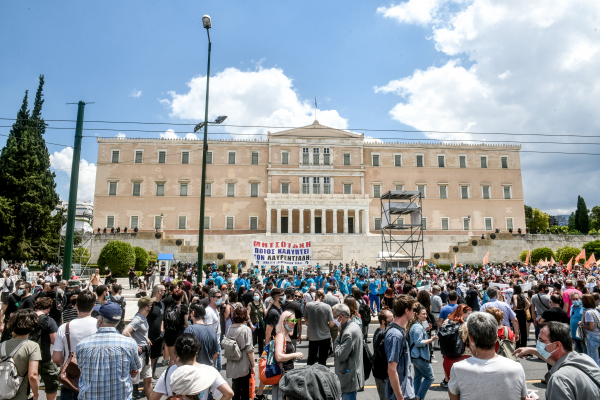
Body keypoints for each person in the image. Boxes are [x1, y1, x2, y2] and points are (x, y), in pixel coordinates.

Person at [448, 312, 528, 400]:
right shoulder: (516, 367)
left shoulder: (458, 368)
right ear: (496, 337)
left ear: (470, 338)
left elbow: (453, 397)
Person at [514, 321, 600, 399]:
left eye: (541, 340)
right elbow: (558, 362)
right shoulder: (585, 359)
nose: (538, 343)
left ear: (557, 345)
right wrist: (531, 350)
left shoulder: (559, 379)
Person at [76, 302, 141, 400]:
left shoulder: (83, 345)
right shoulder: (129, 343)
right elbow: (135, 369)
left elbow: (81, 368)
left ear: (100, 320)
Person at [150, 334, 233, 400]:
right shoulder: (209, 371)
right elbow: (229, 393)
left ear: (177, 352)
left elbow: (153, 398)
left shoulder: (168, 372)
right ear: (197, 351)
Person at [123, 296, 156, 399]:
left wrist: (146, 338)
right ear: (147, 307)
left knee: (148, 379)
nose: (152, 307)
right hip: (139, 355)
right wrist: (135, 345)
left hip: (146, 353)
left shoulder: (143, 318)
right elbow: (125, 332)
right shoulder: (137, 319)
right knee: (134, 384)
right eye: (151, 305)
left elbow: (139, 333)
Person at [385, 295, 417, 400]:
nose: (415, 312)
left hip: (405, 390)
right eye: (413, 309)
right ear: (407, 311)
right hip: (401, 394)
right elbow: (392, 369)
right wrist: (400, 397)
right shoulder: (395, 335)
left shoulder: (398, 330)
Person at [332, 303, 364, 400]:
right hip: (352, 374)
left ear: (341, 316)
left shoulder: (347, 332)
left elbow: (340, 355)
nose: (334, 319)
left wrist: (337, 339)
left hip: (348, 378)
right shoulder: (354, 324)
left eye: (334, 317)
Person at [271, 310, 304, 400]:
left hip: (288, 374)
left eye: (295, 321)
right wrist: (295, 355)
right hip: (283, 375)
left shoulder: (287, 336)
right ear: (284, 321)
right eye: (292, 321)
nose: (294, 323)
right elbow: (278, 357)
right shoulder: (280, 336)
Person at [224, 306, 255, 400]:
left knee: (235, 387)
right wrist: (253, 365)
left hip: (233, 361)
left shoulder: (230, 328)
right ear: (245, 316)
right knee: (245, 389)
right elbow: (250, 350)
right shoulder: (246, 329)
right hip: (244, 362)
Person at [407, 305, 437, 400]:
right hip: (420, 357)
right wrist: (432, 339)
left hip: (416, 356)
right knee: (430, 377)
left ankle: (415, 396)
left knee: (417, 377)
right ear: (417, 315)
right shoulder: (418, 327)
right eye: (423, 314)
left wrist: (426, 330)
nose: (425, 315)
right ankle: (418, 397)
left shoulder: (417, 325)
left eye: (426, 313)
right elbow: (418, 343)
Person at [33, 297, 60, 400]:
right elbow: (54, 340)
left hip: (28, 357)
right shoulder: (49, 321)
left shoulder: (27, 318)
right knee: (51, 386)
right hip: (44, 358)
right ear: (48, 308)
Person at [440, 304, 472, 388]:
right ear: (462, 313)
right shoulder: (465, 325)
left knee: (453, 388)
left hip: (448, 357)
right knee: (465, 389)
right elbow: (471, 344)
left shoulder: (446, 322)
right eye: (467, 314)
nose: (467, 316)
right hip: (464, 357)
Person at [304, 289, 335, 366]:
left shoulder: (308, 305)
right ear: (324, 297)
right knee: (323, 360)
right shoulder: (327, 307)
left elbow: (306, 320)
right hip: (325, 336)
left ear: (315, 295)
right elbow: (331, 323)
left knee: (311, 359)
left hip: (313, 336)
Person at [164, 289, 189, 366]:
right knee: (178, 356)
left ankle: (171, 375)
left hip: (168, 333)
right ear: (182, 297)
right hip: (179, 333)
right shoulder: (184, 307)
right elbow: (186, 323)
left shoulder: (168, 306)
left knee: (172, 357)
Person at [373, 310, 393, 400]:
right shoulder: (381, 334)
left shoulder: (382, 332)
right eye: (391, 319)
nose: (393, 321)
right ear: (383, 321)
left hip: (384, 373)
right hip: (382, 374)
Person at [147, 285, 166, 376]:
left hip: (159, 336)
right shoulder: (149, 304)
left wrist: (162, 331)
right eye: (164, 290)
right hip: (148, 337)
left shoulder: (162, 304)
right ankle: (148, 376)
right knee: (149, 358)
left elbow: (162, 318)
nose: (165, 292)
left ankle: (152, 373)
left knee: (155, 357)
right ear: (159, 291)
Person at [579, 293, 600, 366]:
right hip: (596, 336)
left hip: (592, 337)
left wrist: (582, 324)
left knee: (593, 359)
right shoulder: (595, 311)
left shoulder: (588, 313)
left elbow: (591, 327)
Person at [248, 288, 266, 356]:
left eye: (257, 295)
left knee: (261, 340)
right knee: (253, 340)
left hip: (261, 324)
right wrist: (251, 324)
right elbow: (248, 314)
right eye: (255, 295)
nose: (256, 296)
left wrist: (270, 306)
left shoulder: (261, 303)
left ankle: (261, 355)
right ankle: (250, 355)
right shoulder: (250, 304)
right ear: (253, 297)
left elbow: (265, 313)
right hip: (254, 324)